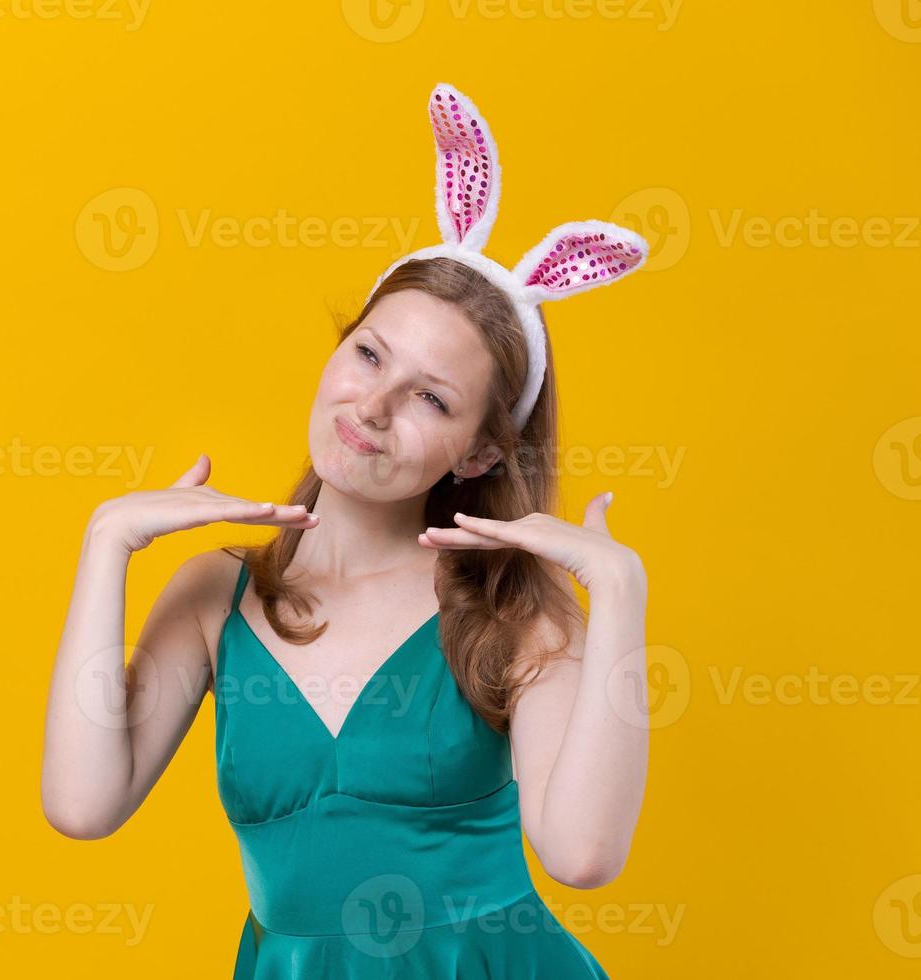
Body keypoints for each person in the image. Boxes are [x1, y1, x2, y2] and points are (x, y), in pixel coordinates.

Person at [41, 83, 651, 977]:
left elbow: (583, 857)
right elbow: (83, 803)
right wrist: (105, 546)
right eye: (368, 353)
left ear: (479, 451)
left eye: (431, 398)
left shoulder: (513, 616)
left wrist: (622, 595)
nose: (373, 404)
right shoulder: (218, 594)